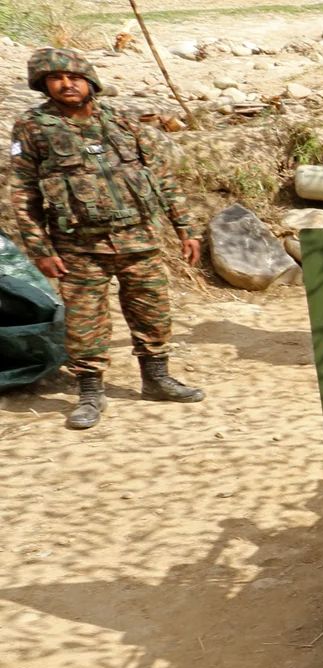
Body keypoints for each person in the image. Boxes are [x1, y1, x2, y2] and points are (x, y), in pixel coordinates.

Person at [9, 47, 203, 430]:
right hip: (78, 247)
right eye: (56, 78)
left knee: (153, 313)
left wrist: (186, 228)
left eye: (74, 77)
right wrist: (40, 249)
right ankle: (90, 392)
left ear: (90, 81)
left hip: (139, 239)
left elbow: (162, 178)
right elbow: (23, 194)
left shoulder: (123, 122)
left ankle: (156, 378)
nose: (67, 84)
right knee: (85, 323)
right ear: (43, 84)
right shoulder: (32, 127)